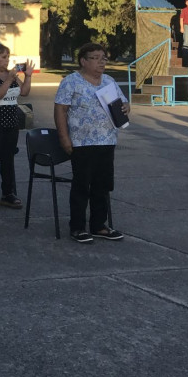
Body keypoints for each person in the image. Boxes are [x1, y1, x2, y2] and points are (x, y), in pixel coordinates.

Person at [54, 43, 130, 244]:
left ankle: (99, 225)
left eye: (103, 58)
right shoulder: (71, 82)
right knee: (82, 186)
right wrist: (64, 138)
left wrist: (125, 107)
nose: (101, 62)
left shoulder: (109, 81)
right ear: (83, 61)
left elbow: (124, 103)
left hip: (106, 140)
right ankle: (78, 227)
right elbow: (60, 110)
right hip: (81, 143)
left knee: (103, 185)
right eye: (96, 58)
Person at [0, 44, 33, 209]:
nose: (7, 60)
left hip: (11, 122)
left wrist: (28, 76)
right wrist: (9, 79)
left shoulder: (12, 75)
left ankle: (7, 193)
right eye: (3, 57)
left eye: (8, 57)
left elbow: (24, 92)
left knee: (8, 159)